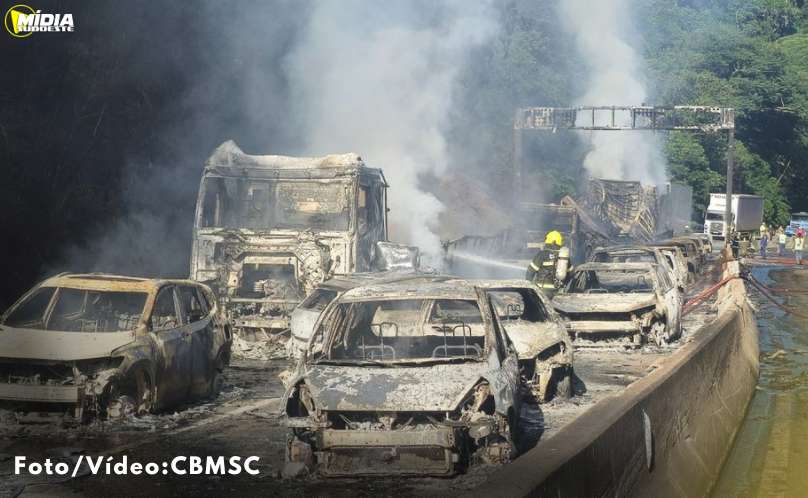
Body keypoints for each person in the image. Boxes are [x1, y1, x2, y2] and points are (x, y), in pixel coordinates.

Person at [526, 230, 569, 298]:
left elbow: (530, 271)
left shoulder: (543, 254)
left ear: (549, 242)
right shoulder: (564, 256)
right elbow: (571, 273)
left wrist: (528, 288)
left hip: (543, 290)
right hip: (558, 291)